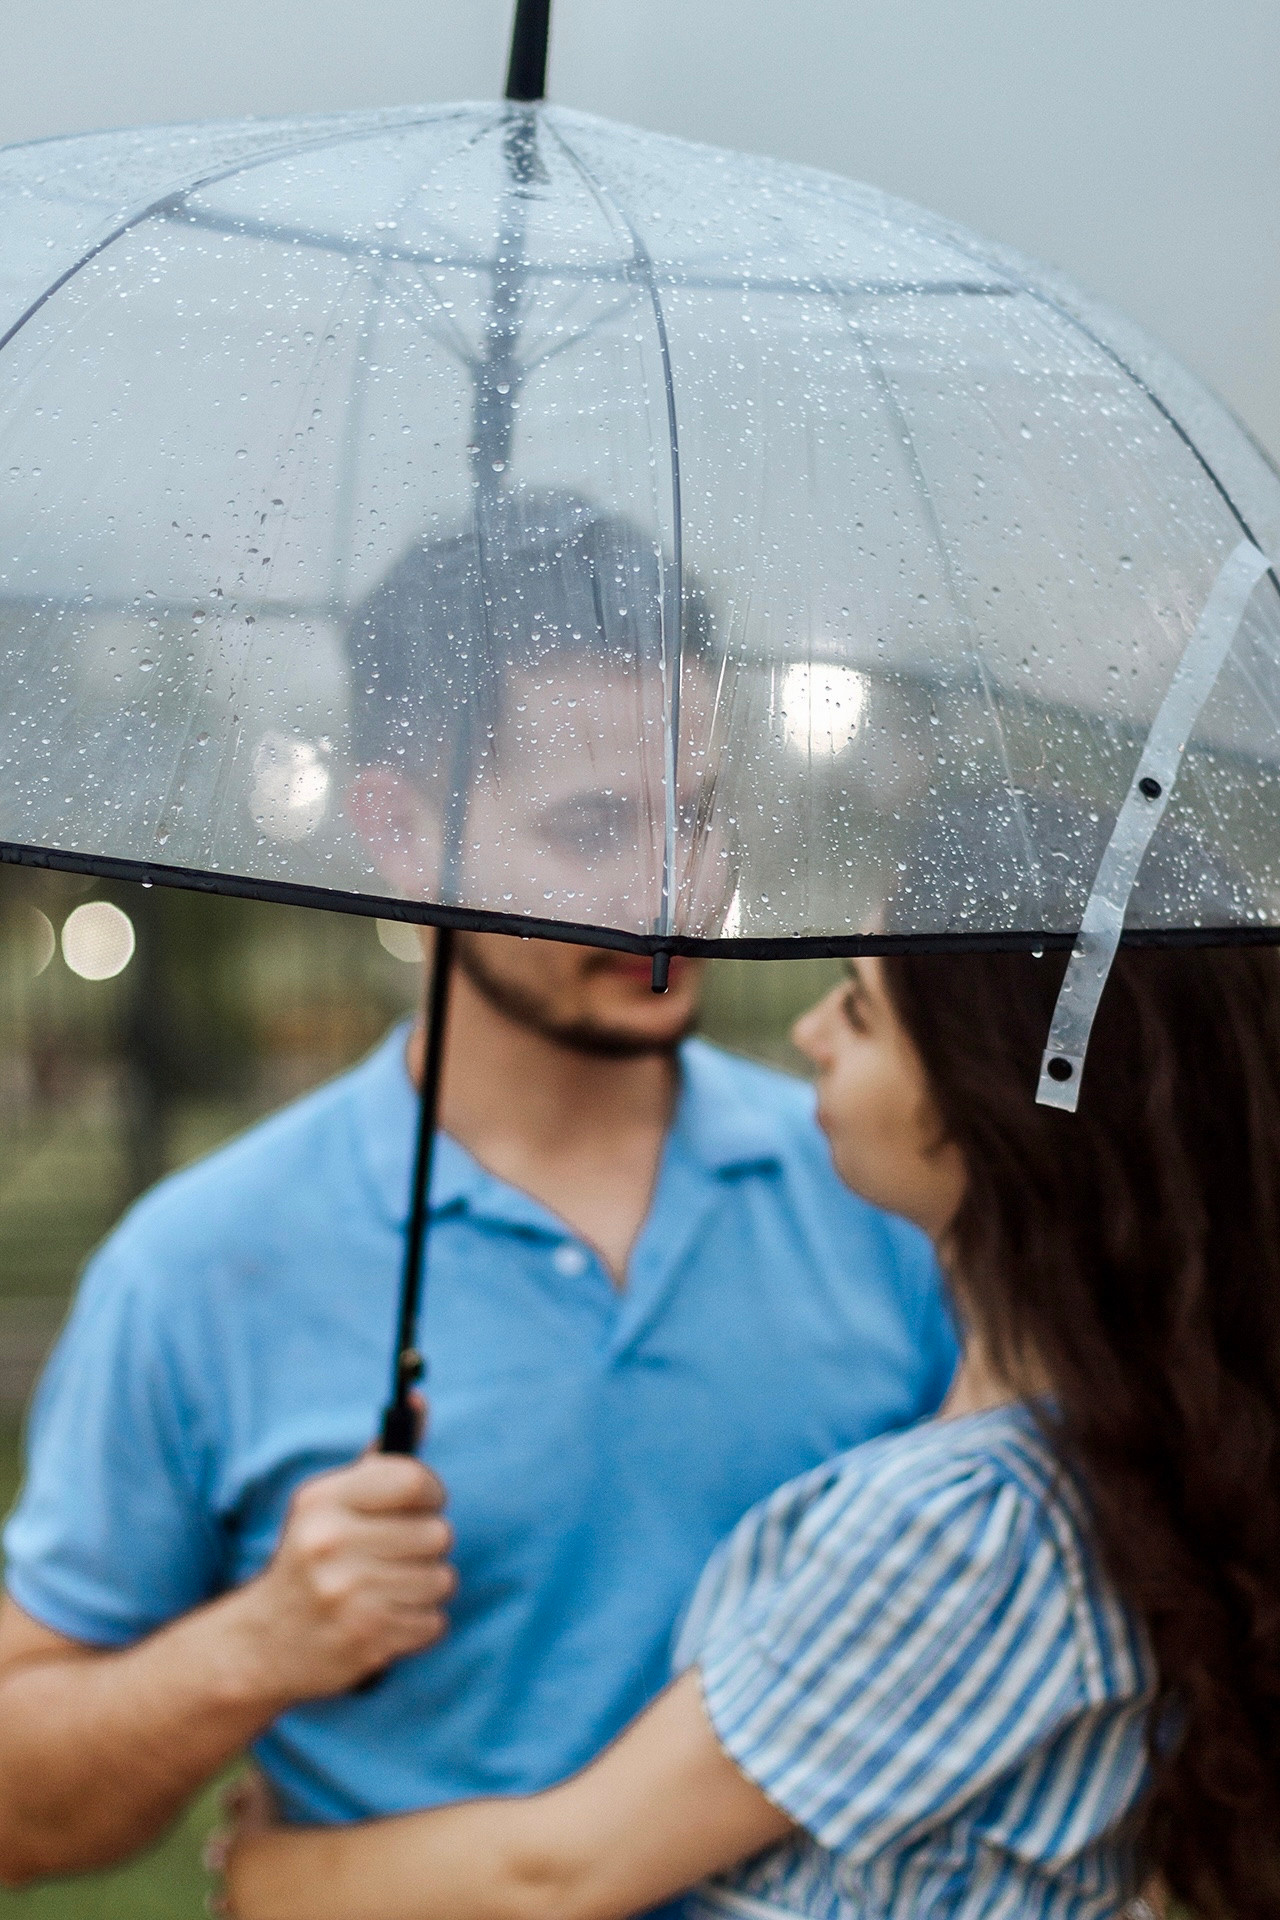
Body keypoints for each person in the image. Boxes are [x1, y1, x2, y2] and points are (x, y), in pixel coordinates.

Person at [0, 496, 955, 1892]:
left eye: (697, 816)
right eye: (594, 831)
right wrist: (257, 1643)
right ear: (397, 832)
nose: (674, 897)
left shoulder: (888, 1200)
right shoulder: (200, 1263)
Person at [222, 938, 1280, 1920]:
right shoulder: (1102, 1452)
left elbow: (561, 1870)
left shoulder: (962, 1525)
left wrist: (273, 1879)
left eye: (859, 1015)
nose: (806, 1030)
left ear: (976, 1104)